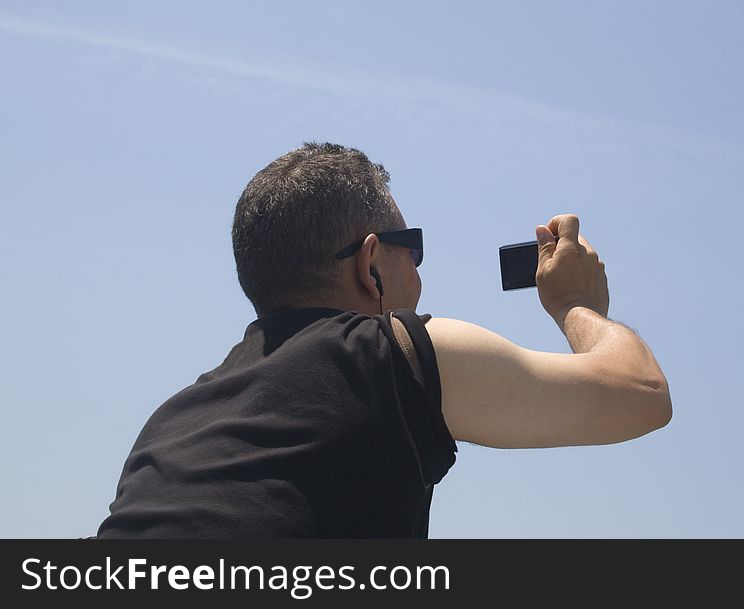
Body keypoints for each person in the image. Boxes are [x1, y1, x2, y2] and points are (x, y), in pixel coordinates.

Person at [96, 142, 671, 538]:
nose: (418, 274)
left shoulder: (170, 422)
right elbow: (639, 393)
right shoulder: (390, 356)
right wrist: (577, 304)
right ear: (370, 265)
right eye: (411, 247)